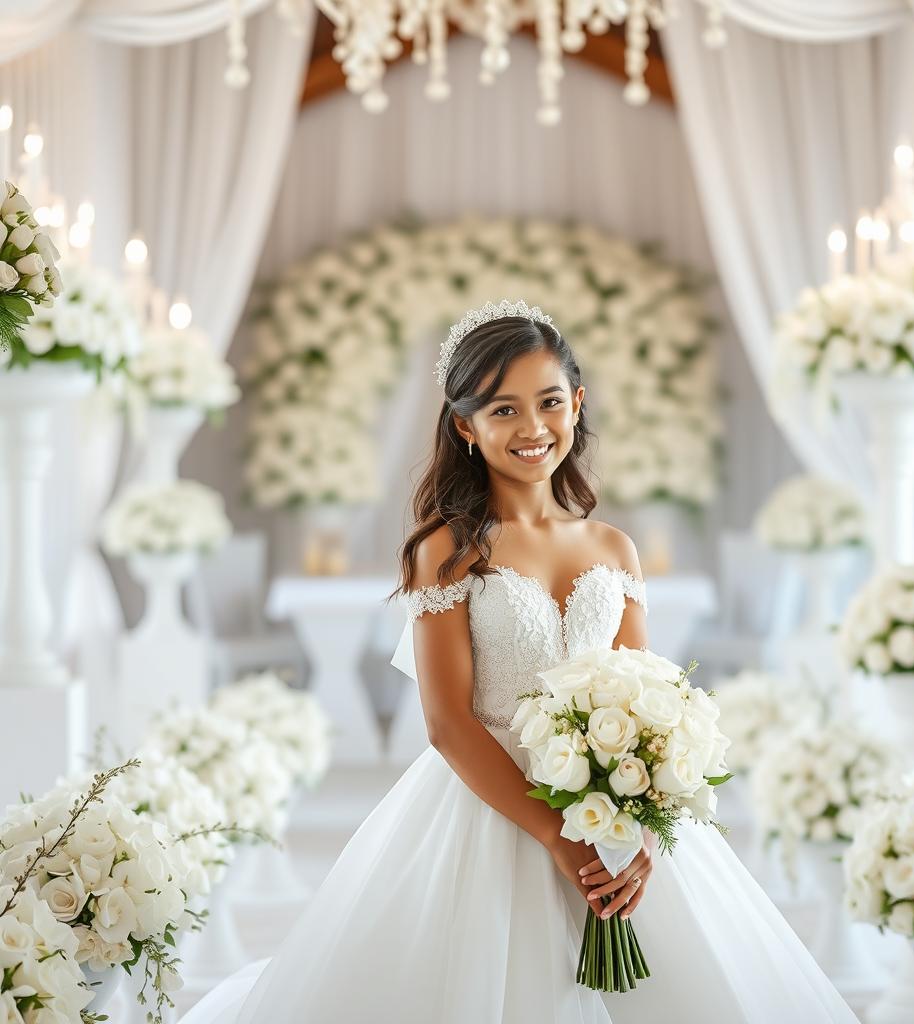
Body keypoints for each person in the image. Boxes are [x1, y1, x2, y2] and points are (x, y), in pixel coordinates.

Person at [180, 299, 859, 1023]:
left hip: (614, 809)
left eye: (548, 402)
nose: (532, 428)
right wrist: (555, 835)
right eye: (503, 410)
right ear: (465, 426)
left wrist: (647, 836)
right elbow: (446, 724)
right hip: (494, 810)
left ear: (578, 405)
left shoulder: (614, 549)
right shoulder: (446, 549)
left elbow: (649, 700)